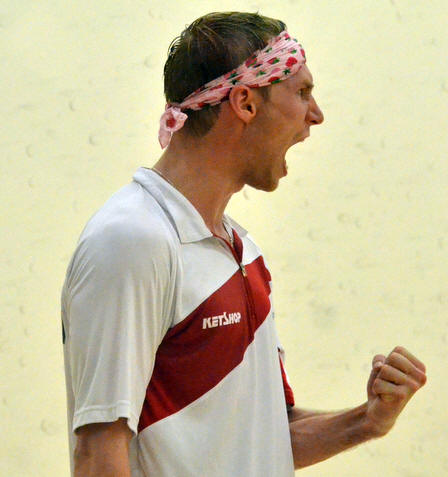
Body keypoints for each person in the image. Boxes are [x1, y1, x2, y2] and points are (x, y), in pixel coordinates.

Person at [61, 11, 427, 477]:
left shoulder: (242, 251)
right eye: (302, 92)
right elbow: (98, 457)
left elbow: (265, 437)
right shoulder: (133, 241)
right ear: (245, 103)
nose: (316, 115)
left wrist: (367, 421)